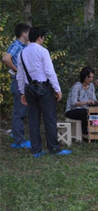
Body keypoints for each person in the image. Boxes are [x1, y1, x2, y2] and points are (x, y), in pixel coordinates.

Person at [16, 27, 71, 157]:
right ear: (40, 37)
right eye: (43, 37)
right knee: (50, 118)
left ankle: (36, 150)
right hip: (44, 88)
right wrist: (57, 89)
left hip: (29, 89)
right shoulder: (43, 51)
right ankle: (53, 148)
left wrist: (22, 92)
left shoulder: (21, 53)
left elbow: (20, 75)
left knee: (33, 120)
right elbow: (50, 72)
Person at [1, 23, 31, 149]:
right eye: (29, 32)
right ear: (24, 33)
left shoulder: (24, 46)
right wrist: (16, 70)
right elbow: (5, 58)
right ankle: (19, 141)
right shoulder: (16, 45)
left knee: (22, 110)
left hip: (22, 81)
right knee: (19, 111)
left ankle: (17, 134)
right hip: (18, 82)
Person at [65, 67, 98, 135]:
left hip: (86, 110)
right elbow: (73, 103)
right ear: (84, 77)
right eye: (89, 77)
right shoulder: (77, 86)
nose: (91, 79)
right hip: (72, 110)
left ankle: (97, 132)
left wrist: (97, 102)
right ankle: (86, 133)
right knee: (85, 113)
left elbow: (93, 100)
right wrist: (87, 102)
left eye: (92, 77)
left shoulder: (91, 86)